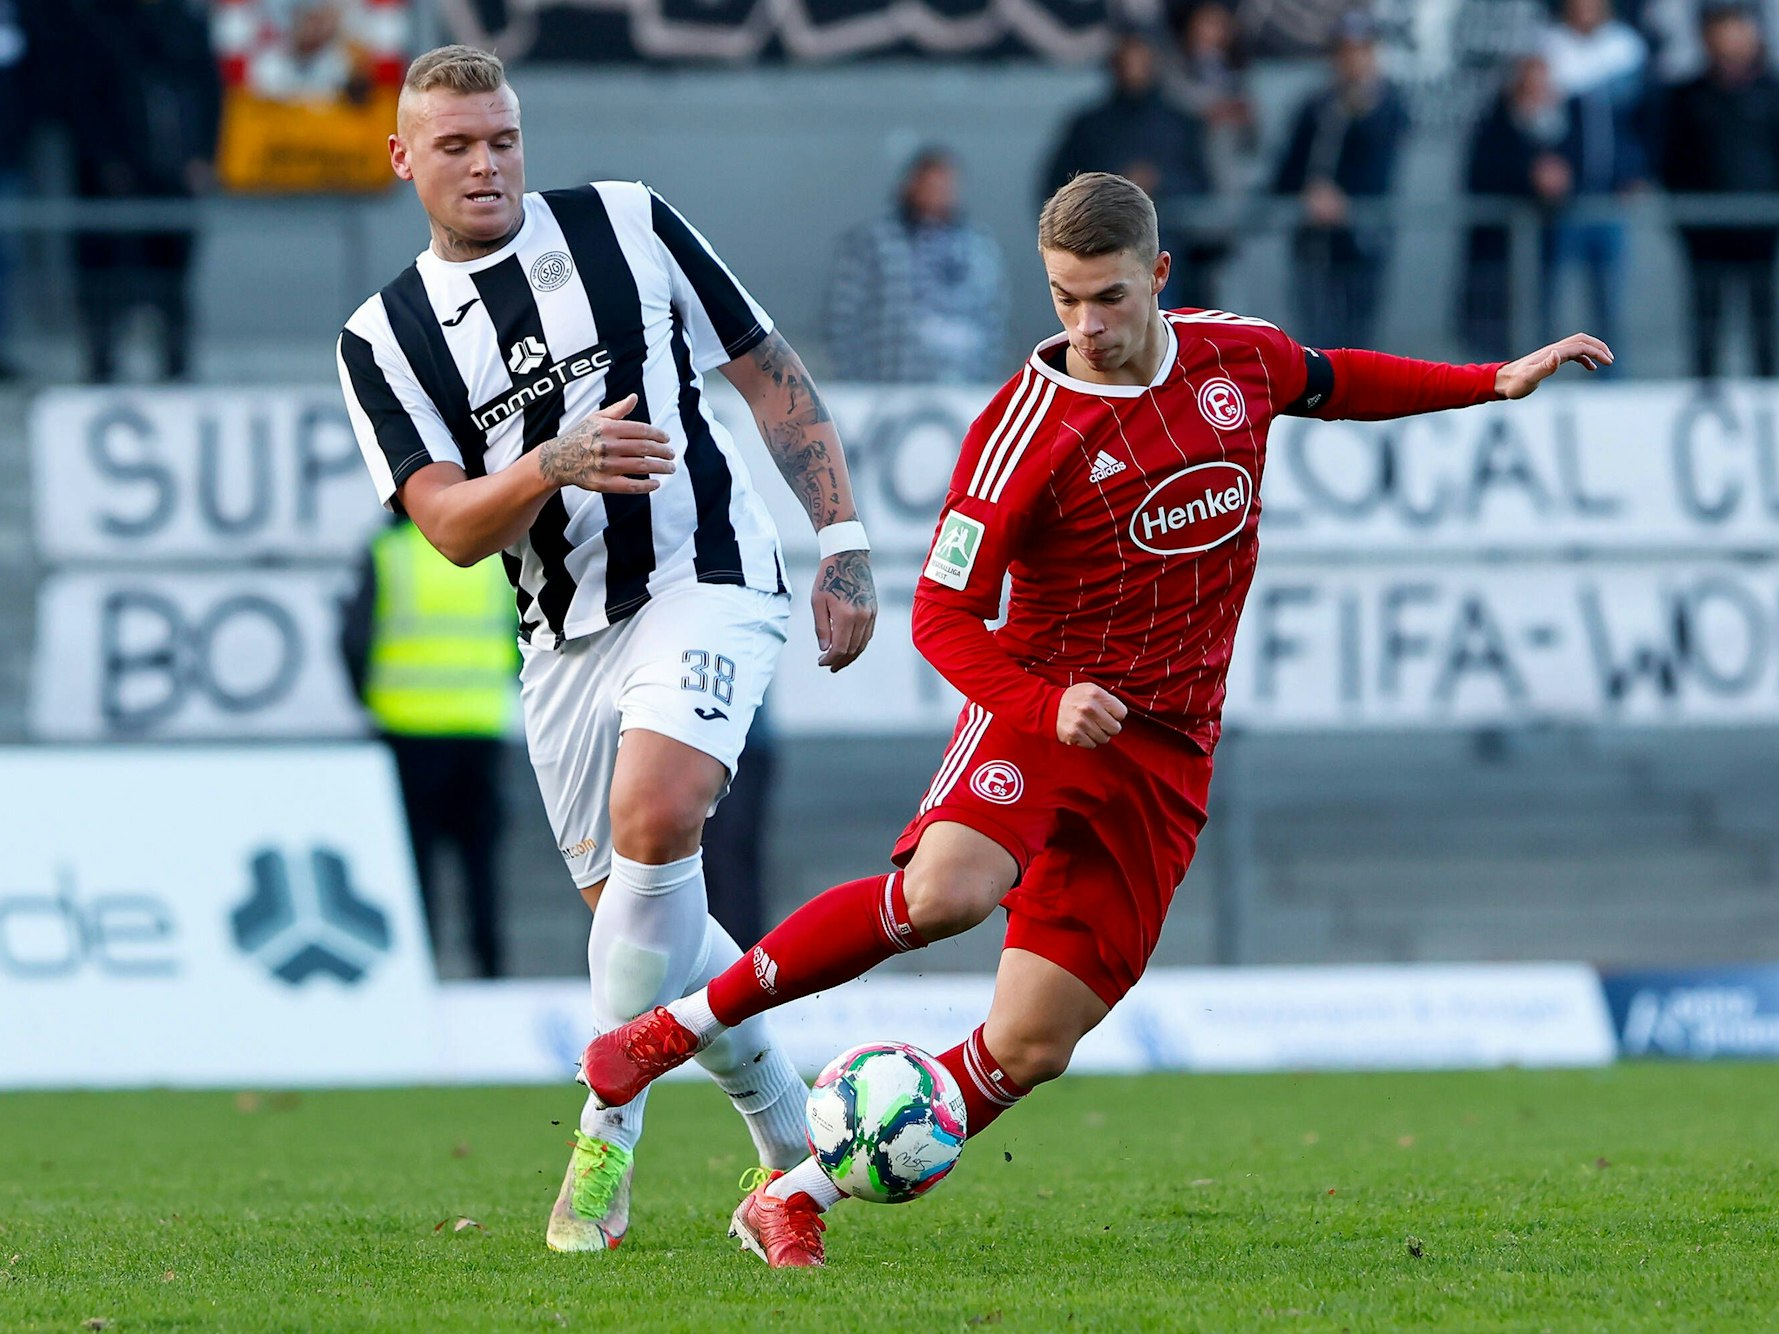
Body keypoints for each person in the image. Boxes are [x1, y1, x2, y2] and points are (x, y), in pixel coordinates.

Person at [578, 171, 1612, 1269]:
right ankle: (669, 1030)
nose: (1085, 325)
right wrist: (1044, 700)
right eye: (1065, 299)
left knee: (1032, 1041)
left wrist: (1490, 381)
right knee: (947, 893)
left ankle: (793, 1195)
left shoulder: (1235, 358)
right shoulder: (1027, 430)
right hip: (1043, 704)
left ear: (1160, 276)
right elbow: (941, 612)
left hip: (1167, 748)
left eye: (1109, 298)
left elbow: (1333, 378)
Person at [334, 45, 878, 1254]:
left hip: (710, 575)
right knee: (655, 927)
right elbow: (445, 528)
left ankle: (605, 1132)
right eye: (457, 146)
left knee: (658, 814)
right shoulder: (382, 336)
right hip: (563, 643)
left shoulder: (628, 220)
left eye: (504, 139)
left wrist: (841, 537)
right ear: (403, 159)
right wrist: (549, 464)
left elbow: (767, 371)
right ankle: (790, 1145)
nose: (487, 164)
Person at [340, 514, 519, 979]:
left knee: (412, 864)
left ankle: (420, 972)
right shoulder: (496, 551)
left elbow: (355, 639)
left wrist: (372, 698)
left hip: (406, 729)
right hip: (479, 726)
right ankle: (491, 970)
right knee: (481, 864)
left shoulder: (389, 551)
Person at [70, 0, 221, 382]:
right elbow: (85, 98)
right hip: (114, 179)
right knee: (109, 275)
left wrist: (202, 154)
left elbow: (208, 90)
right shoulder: (99, 23)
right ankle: (103, 362)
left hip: (173, 173)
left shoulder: (184, 23)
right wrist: (106, 161)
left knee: (172, 274)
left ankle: (175, 362)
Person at [1043, 30, 1212, 307]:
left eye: (1141, 59)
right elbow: (1056, 189)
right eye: (1128, 60)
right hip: (1100, 249)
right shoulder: (1089, 126)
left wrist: (1160, 184)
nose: (1135, 68)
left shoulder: (1180, 123)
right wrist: (1113, 189)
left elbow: (1202, 187)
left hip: (1174, 250)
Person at [1271, 12, 1408, 349]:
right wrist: (1310, 192)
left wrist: (1343, 199)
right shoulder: (1316, 107)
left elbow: (1379, 168)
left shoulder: (1389, 106)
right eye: (1346, 52)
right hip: (1315, 243)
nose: (1354, 61)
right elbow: (1287, 171)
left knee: (1359, 339)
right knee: (1316, 342)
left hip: (1363, 239)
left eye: (1361, 51)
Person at [1657, 0, 1779, 377]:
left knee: (1764, 323)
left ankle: (1768, 400)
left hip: (1761, 230)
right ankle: (1704, 396)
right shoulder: (1687, 96)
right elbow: (1670, 158)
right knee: (1706, 323)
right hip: (1705, 233)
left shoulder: (1770, 91)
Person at [823, 147, 1007, 383]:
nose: (937, 194)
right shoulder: (873, 243)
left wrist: (987, 382)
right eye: (930, 185)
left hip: (962, 386)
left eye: (945, 186)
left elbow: (995, 320)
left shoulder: (979, 247)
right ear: (910, 186)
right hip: (885, 383)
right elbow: (842, 316)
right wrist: (856, 382)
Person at [1540, 0, 1650, 361]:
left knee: (1608, 304)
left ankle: (1611, 389)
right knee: (1546, 301)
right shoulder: (1545, 45)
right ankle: (1532, 383)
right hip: (1558, 204)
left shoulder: (1626, 49)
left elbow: (1647, 122)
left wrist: (1634, 170)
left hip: (1610, 201)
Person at [1460, 53, 1573, 359]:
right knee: (1492, 327)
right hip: (1497, 250)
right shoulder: (1493, 125)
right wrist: (1529, 176)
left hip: (1544, 246)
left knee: (1541, 319)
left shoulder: (1563, 127)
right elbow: (1481, 173)